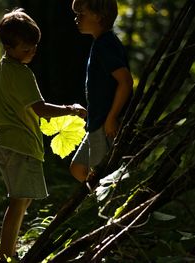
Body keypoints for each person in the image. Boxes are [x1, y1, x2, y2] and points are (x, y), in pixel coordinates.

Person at [0, 8, 87, 263]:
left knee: (23, 200)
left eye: (34, 47)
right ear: (8, 46)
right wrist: (72, 110)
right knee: (18, 201)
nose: (31, 53)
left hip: (7, 143)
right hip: (19, 146)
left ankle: (8, 251)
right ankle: (4, 256)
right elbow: (41, 109)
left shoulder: (2, 68)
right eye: (25, 49)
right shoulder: (20, 74)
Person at [70, 0, 133, 182]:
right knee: (78, 168)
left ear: (98, 16)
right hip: (97, 122)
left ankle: (105, 208)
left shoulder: (105, 45)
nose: (77, 18)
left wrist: (112, 118)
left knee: (103, 178)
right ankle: (96, 201)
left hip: (105, 125)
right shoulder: (101, 43)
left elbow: (126, 81)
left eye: (82, 14)